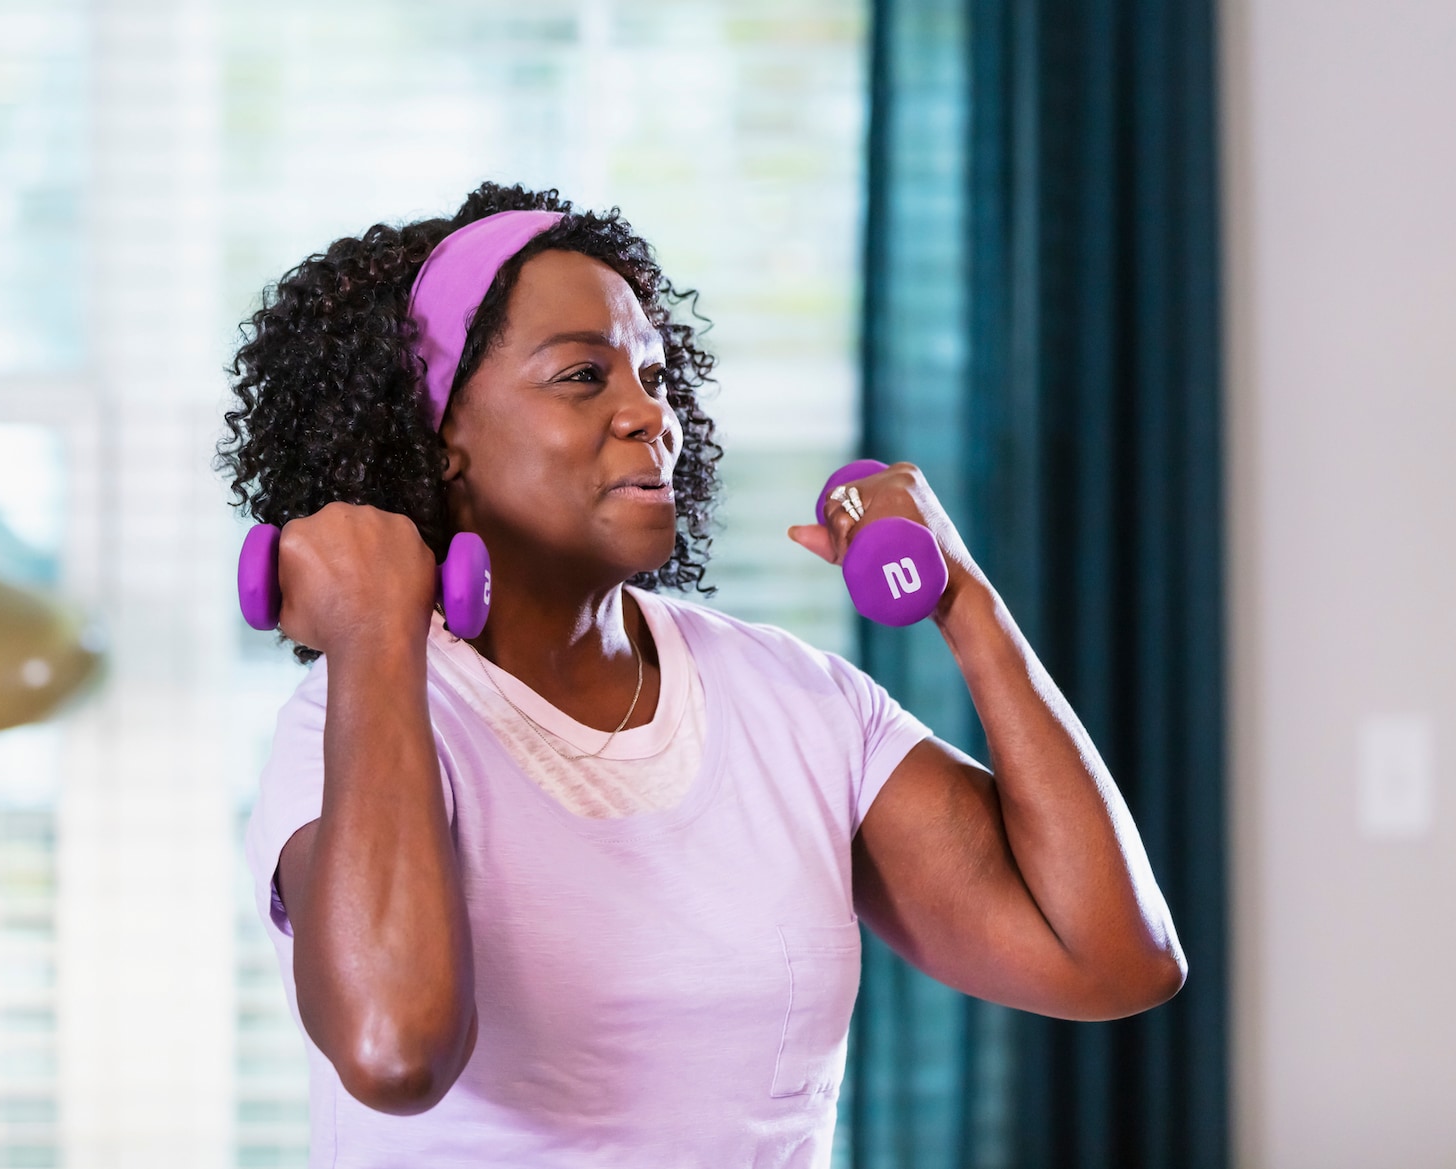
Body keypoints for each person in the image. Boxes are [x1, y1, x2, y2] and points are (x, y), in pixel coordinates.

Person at [218, 183, 1184, 1168]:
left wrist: (962, 601)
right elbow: (393, 1051)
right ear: (436, 436)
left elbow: (1111, 960)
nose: (650, 415)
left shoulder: (796, 701)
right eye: (583, 376)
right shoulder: (356, 719)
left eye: (655, 373)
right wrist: (376, 634)